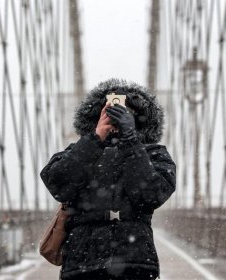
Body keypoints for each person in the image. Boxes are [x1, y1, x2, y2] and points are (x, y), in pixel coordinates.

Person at [40, 78, 176, 280]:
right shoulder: (77, 151)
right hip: (83, 265)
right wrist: (95, 138)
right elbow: (59, 185)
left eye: (125, 113)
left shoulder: (154, 154)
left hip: (134, 264)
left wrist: (130, 139)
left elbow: (151, 195)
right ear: (96, 116)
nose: (117, 117)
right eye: (110, 111)